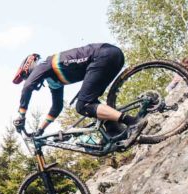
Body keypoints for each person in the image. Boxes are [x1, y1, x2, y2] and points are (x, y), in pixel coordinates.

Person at [11, 43, 147, 144]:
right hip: (111, 55)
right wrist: (40, 130)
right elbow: (56, 107)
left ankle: (132, 122)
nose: (28, 78)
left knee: (83, 105)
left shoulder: (44, 64)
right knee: (91, 103)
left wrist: (21, 115)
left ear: (30, 66)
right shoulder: (53, 79)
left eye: (27, 76)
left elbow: (27, 87)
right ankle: (113, 128)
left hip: (103, 56)